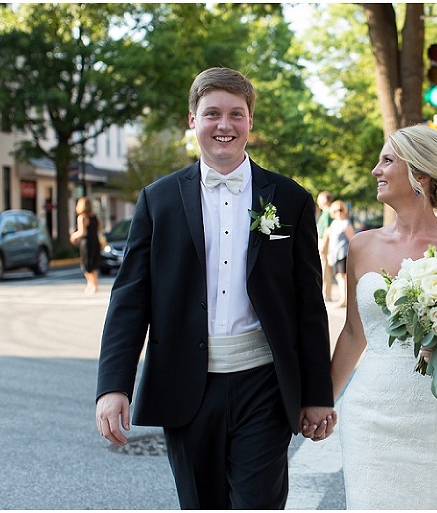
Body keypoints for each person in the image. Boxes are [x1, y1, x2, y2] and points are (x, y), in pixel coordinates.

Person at [95, 67, 336, 510]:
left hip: (264, 383)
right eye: (212, 114)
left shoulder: (290, 199)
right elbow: (130, 299)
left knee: (258, 502)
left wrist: (318, 395)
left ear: (250, 122)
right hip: (186, 386)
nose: (224, 125)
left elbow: (308, 307)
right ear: (193, 121)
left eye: (236, 114)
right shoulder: (158, 200)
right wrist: (113, 386)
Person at [330, 124, 437, 509]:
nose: (376, 170)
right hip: (370, 414)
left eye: (387, 160)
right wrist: (321, 401)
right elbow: (354, 334)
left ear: (419, 174)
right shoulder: (362, 246)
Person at [323, 200, 355, 307]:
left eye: (341, 210)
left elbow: (352, 240)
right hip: (334, 254)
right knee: (338, 277)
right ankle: (343, 298)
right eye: (336, 210)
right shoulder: (334, 223)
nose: (339, 212)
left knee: (343, 277)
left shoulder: (346, 223)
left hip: (343, 254)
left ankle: (344, 299)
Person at [69, 196, 101, 295]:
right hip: (95, 241)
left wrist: (74, 236)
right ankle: (93, 284)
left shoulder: (82, 217)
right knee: (93, 264)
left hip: (86, 243)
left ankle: (92, 284)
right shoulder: (95, 216)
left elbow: (82, 232)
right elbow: (100, 228)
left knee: (86, 265)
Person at [316, 191, 334, 301]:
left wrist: (324, 245)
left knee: (325, 269)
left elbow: (328, 230)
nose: (318, 201)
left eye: (319, 198)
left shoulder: (328, 212)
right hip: (321, 241)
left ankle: (326, 294)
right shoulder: (325, 212)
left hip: (324, 242)